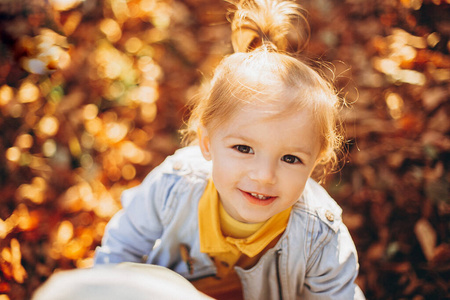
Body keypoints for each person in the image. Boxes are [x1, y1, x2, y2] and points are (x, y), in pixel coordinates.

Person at [94, 0, 365, 299]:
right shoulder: (174, 187)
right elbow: (120, 252)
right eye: (243, 148)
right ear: (207, 144)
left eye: (290, 158)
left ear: (316, 162)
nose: (264, 175)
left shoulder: (320, 236)